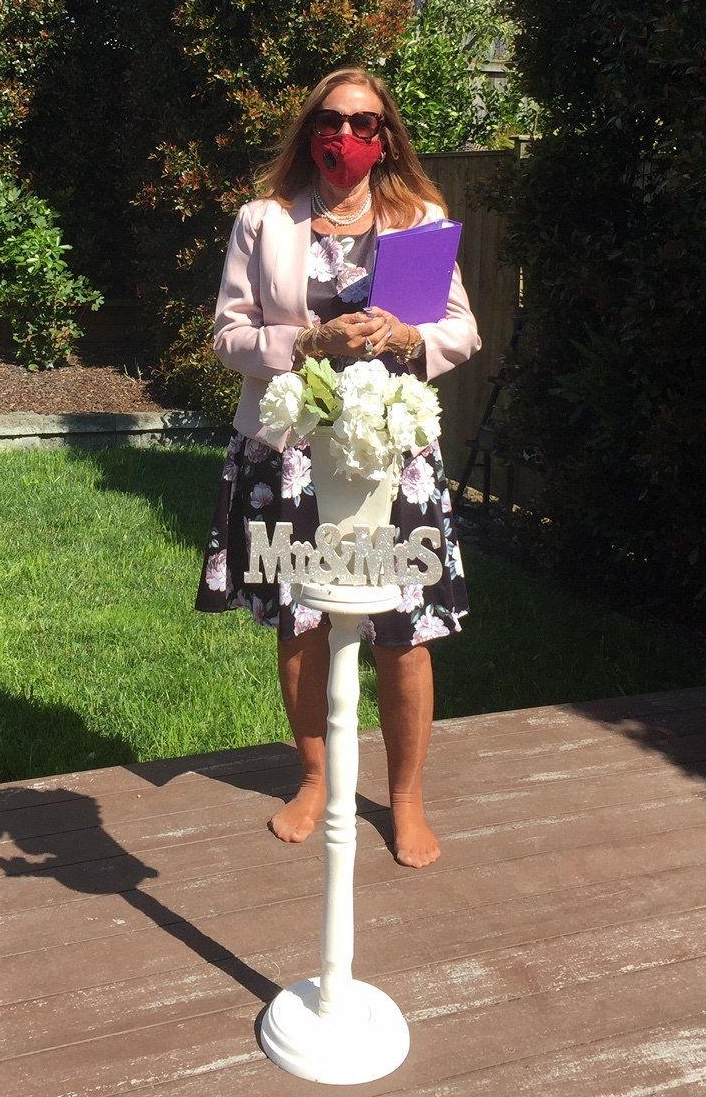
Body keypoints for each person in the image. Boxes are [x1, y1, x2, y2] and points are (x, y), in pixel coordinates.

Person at [195, 66, 482, 868]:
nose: (345, 136)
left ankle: (407, 798)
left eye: (364, 123)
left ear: (386, 135)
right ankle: (317, 775)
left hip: (391, 458)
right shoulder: (263, 220)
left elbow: (461, 330)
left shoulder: (418, 220)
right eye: (330, 120)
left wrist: (403, 338)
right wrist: (311, 344)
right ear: (309, 129)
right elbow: (226, 337)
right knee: (303, 621)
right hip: (291, 457)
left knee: (405, 628)